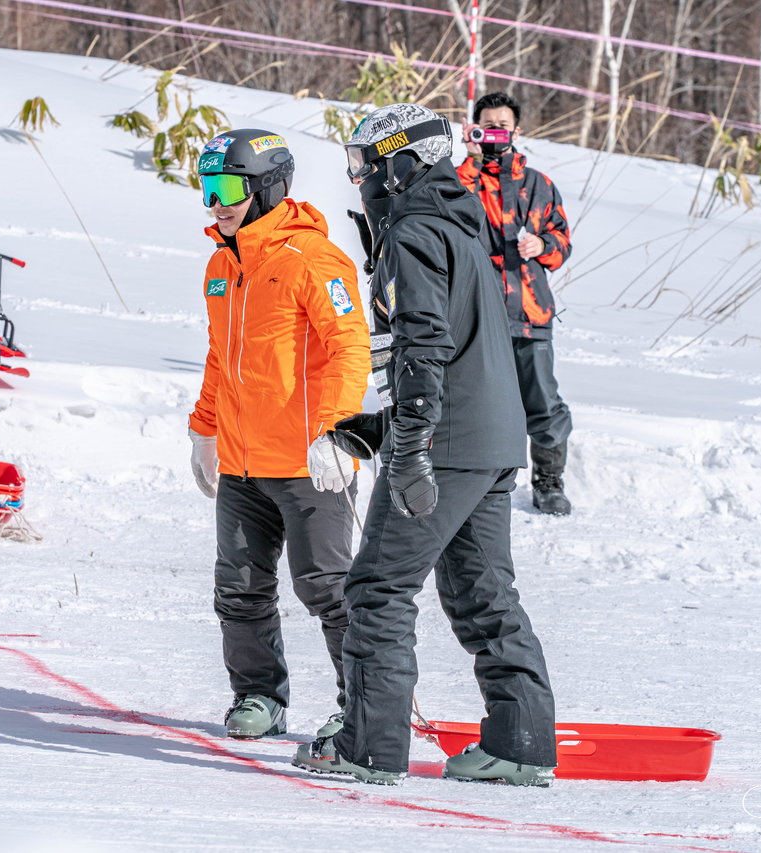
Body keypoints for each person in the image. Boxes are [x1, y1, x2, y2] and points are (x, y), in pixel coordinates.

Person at [292, 103, 557, 786]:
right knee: (482, 592)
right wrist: (378, 427)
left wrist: (409, 445)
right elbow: (463, 349)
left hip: (445, 443)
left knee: (378, 588)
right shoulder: (460, 225)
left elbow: (425, 346)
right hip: (491, 440)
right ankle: (519, 741)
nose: (358, 179)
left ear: (403, 165)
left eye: (364, 165)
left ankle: (369, 745)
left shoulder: (413, 228)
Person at [188, 129, 370, 740]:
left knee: (327, 589)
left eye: (230, 187)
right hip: (241, 461)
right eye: (209, 187)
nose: (217, 202)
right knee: (239, 589)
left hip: (307, 459)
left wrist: (337, 433)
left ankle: (363, 707)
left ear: (268, 186)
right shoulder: (222, 264)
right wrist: (205, 430)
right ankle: (259, 697)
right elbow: (221, 356)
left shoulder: (313, 260)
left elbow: (350, 350)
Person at [457, 92, 575, 515]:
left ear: (516, 130)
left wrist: (541, 243)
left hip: (530, 312)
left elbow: (562, 246)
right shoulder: (460, 179)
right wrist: (470, 159)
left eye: (501, 126)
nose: (495, 133)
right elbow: (450, 216)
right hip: (479, 315)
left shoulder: (539, 184)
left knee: (542, 402)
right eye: (486, 125)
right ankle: (478, 483)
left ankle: (549, 480)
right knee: (478, 403)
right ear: (474, 128)